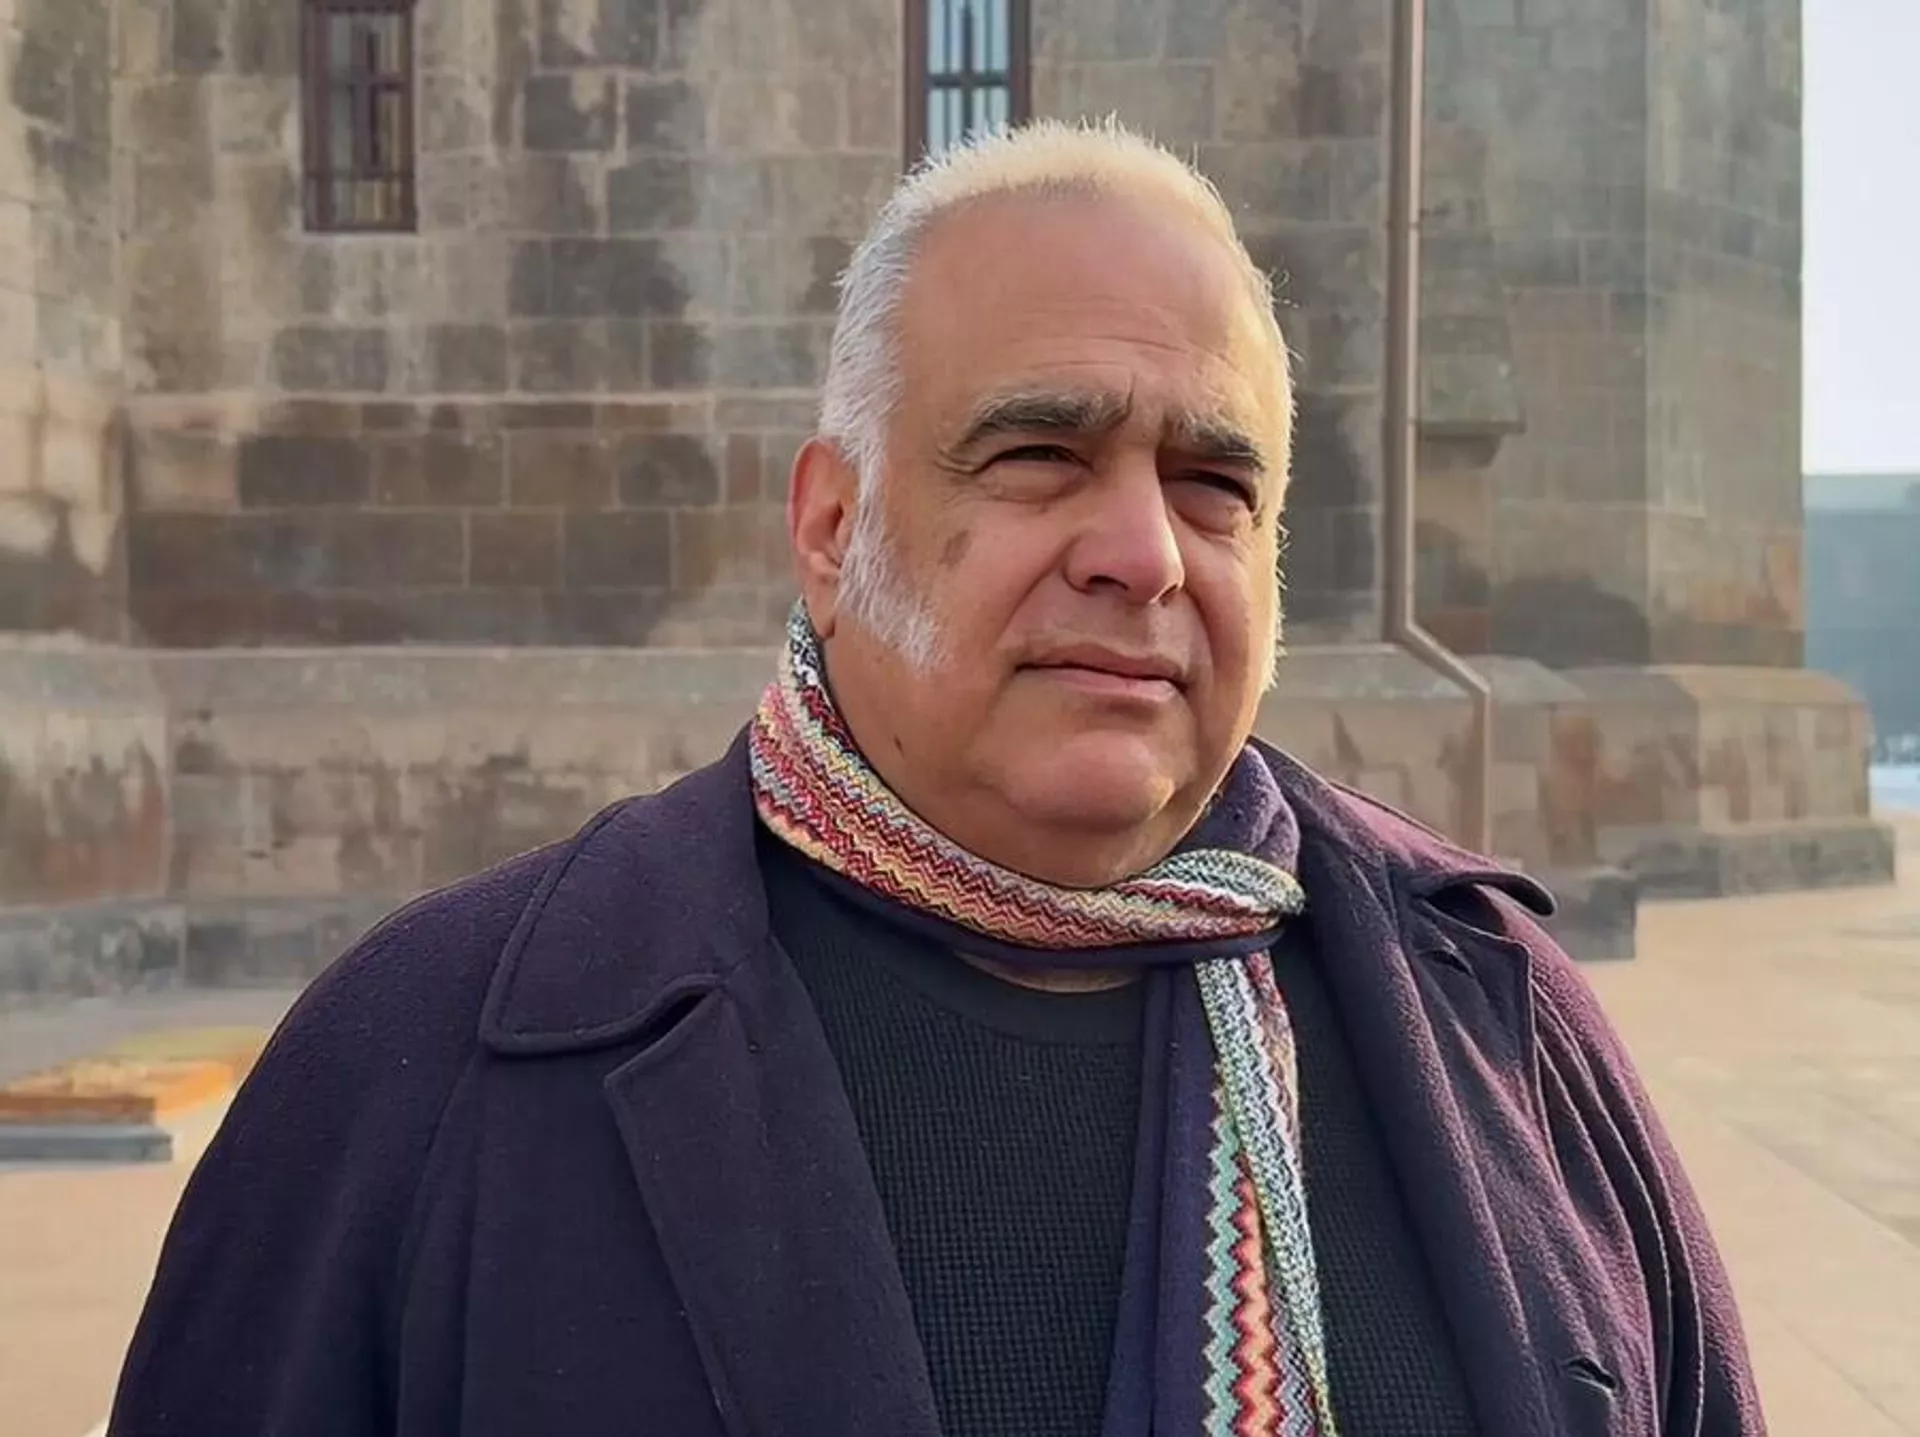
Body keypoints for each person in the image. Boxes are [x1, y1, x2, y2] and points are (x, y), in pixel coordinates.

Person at [109, 120, 1764, 1437]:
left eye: (1214, 485)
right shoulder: (419, 1074)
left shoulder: (1507, 1031)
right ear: (832, 527)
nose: (1142, 553)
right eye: (1040, 454)